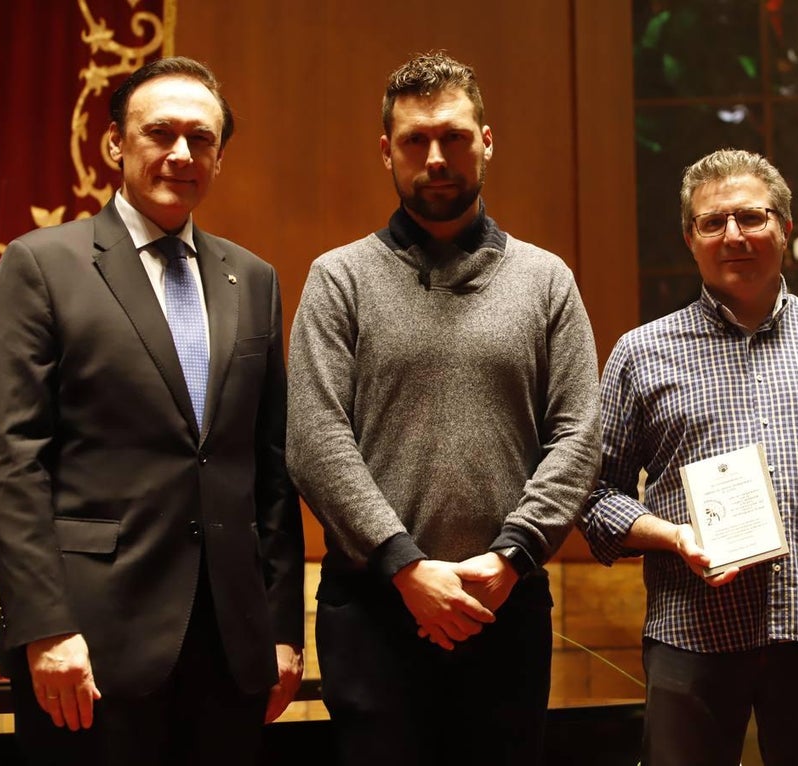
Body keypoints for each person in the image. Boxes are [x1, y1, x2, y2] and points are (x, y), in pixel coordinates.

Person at [0, 56, 304, 765]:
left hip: (231, 653)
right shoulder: (41, 265)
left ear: (218, 156)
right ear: (116, 145)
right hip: (89, 646)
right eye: (161, 133)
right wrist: (45, 628)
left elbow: (271, 467)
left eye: (202, 138)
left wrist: (282, 630)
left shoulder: (253, 280)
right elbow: (11, 463)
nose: (182, 153)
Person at [285, 52, 601, 766]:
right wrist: (406, 568)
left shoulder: (546, 280)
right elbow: (313, 438)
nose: (436, 158)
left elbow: (580, 434)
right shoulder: (338, 279)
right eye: (415, 140)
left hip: (506, 604)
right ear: (386, 153)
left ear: (487, 141)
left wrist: (510, 557)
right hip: (373, 612)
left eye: (454, 137)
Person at [579, 148, 798, 766]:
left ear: (785, 228)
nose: (733, 235)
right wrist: (673, 535)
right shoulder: (640, 353)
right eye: (713, 222)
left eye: (751, 217)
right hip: (691, 638)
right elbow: (594, 497)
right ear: (690, 239)